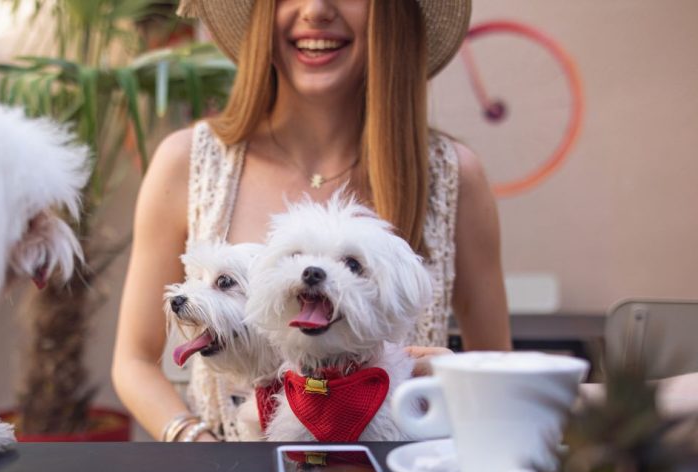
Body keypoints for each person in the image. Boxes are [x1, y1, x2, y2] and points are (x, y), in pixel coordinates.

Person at [112, 0, 511, 442]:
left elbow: (507, 381)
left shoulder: (454, 176)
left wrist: (453, 373)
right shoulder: (186, 162)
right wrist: (197, 444)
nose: (317, 10)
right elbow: (134, 360)